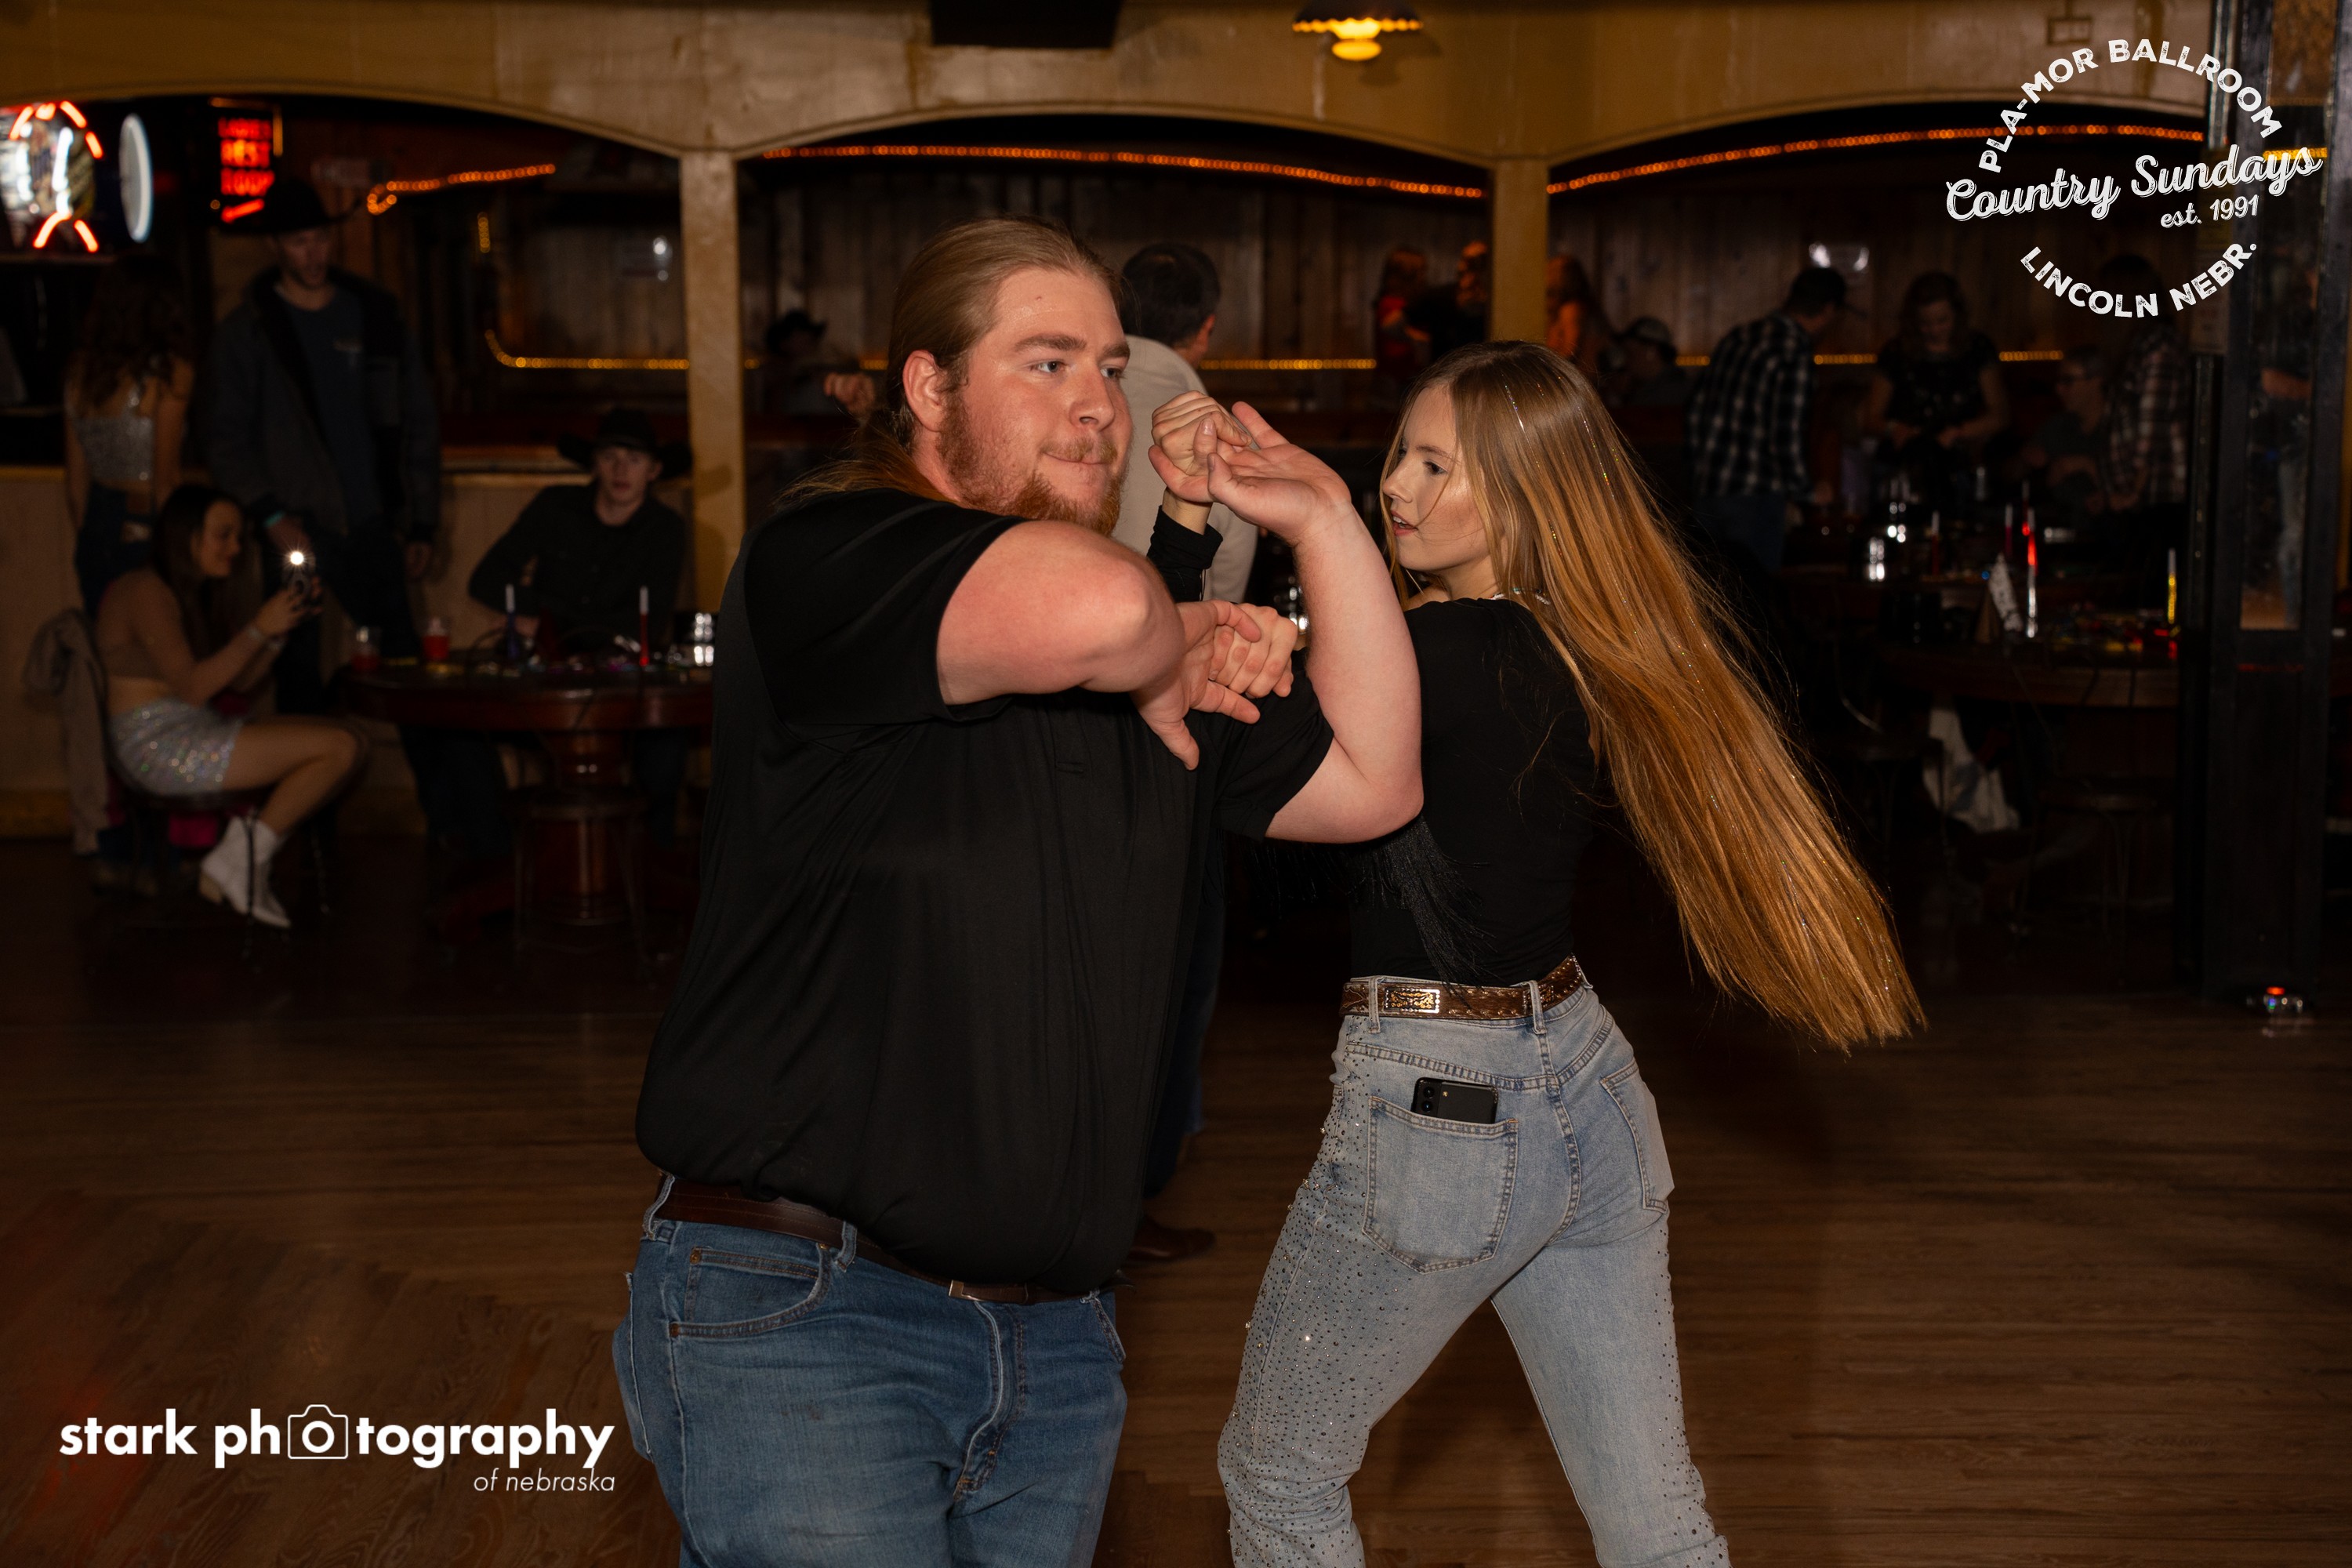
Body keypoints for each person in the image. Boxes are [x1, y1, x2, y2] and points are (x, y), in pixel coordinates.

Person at [616, 214, 1422, 1566]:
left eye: (1109, 367)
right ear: (928, 388)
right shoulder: (832, 556)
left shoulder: (1143, 659)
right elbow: (1099, 612)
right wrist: (1176, 629)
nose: (1099, 404)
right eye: (1046, 364)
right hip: (807, 1314)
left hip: (1057, 1351)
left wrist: (1321, 516)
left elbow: (1377, 781)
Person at [1204, 340, 1920, 1567]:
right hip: (1585, 1088)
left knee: (1278, 1476)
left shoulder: (1438, 660)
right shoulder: (1571, 643)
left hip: (1441, 1112)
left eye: (1441, 468)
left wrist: (1236, 597)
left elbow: (1238, 793)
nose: (1401, 487)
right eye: (1402, 455)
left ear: (1529, 495)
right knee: (1656, 1523)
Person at [204, 178, 479, 850]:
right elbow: (224, 436)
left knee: (408, 673)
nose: (313, 253)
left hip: (370, 521)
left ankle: (452, 825)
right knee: (297, 678)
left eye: (320, 238)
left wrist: (418, 521)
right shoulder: (250, 330)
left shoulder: (372, 314)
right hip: (296, 524)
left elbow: (415, 421)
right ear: (276, 246)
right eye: (299, 241)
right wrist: (271, 515)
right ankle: (307, 836)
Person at [1107, 241, 1258, 1265]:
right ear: (1206, 327)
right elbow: (1218, 598)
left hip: (1064, 696)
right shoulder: (1213, 429)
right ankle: (1133, 1190)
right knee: (1175, 957)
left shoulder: (1081, 405)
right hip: (1173, 705)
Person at [96, 484, 367, 927]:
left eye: (239, 537)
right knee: (338, 747)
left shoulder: (189, 591)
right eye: (223, 535)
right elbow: (193, 688)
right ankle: (239, 861)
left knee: (348, 740)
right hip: (156, 746)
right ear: (185, 535)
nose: (236, 549)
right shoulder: (144, 590)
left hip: (188, 727)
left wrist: (278, 633)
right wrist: (258, 628)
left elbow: (239, 681)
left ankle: (239, 859)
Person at [467, 407, 693, 844]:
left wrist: (544, 620)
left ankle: (648, 859)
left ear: (654, 470)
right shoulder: (555, 505)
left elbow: (646, 624)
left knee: (666, 741)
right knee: (461, 727)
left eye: (634, 459)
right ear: (594, 463)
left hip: (621, 687)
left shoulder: (665, 529)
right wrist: (537, 622)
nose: (621, 470)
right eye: (610, 457)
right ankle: (493, 856)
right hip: (543, 682)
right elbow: (486, 580)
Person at [1685, 264, 1846, 572]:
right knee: (1754, 596)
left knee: (1709, 593)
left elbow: (1695, 412)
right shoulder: (1793, 350)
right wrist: (1806, 491)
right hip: (1755, 499)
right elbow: (1785, 435)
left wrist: (1697, 476)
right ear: (1828, 310)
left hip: (1708, 491)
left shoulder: (1738, 337)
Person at [64, 253, 194, 617]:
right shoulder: (169, 372)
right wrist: (180, 551)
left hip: (97, 520)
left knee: (107, 633)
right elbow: (165, 479)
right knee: (161, 636)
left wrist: (90, 533)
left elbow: (75, 484)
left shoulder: (82, 372)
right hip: (145, 518)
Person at [1864, 272, 2009, 509]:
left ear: (1957, 316)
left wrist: (1960, 433)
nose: (1934, 330)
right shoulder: (1896, 352)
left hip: (1958, 466)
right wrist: (1895, 429)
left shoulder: (1977, 349)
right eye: (1925, 323)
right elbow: (1870, 419)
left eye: (1942, 321)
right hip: (1904, 466)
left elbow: (2000, 415)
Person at [2096, 253, 2190, 604]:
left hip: (2160, 496)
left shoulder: (2159, 347)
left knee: (2154, 598)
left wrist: (2133, 490)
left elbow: (2152, 422)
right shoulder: (2139, 346)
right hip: (2141, 498)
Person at [2020, 347, 2108, 544]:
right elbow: (2018, 474)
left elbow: (2128, 496)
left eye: (2068, 381)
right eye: (2059, 381)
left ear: (2096, 381)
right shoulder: (2058, 427)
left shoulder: (2119, 429)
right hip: (2057, 539)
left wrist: (2086, 465)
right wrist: (2026, 459)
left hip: (2107, 541)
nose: (2059, 389)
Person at [757, 307, 856, 415]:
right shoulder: (776, 371)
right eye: (799, 335)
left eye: (807, 334)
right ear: (784, 342)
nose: (808, 338)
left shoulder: (824, 363)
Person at [1409, 240, 1490, 361]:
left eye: (1479, 261)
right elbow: (1393, 323)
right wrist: (1420, 340)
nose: (1470, 267)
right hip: (1447, 365)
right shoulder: (1441, 295)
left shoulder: (1496, 299)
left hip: (1482, 363)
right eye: (1468, 261)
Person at [1543, 253, 1613, 381]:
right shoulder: (1578, 307)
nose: (1547, 274)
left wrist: (1546, 369)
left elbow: (1571, 350)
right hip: (1585, 377)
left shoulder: (1572, 309)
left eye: (1553, 270)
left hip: (1580, 378)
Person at [1371, 247, 1432, 397]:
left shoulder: (1404, 305)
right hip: (1398, 384)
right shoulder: (1393, 307)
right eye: (1420, 272)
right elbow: (1394, 353)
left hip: (1403, 381)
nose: (1423, 278)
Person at [1617, 316, 1692, 408]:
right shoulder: (1656, 388)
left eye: (1630, 354)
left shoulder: (1664, 395)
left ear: (1651, 352)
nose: (1625, 362)